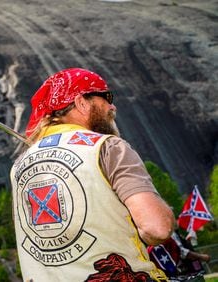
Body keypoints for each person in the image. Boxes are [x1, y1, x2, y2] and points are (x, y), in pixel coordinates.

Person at [10, 68, 175, 281]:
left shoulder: (19, 165)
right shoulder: (108, 147)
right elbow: (157, 228)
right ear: (81, 102)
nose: (112, 106)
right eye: (106, 97)